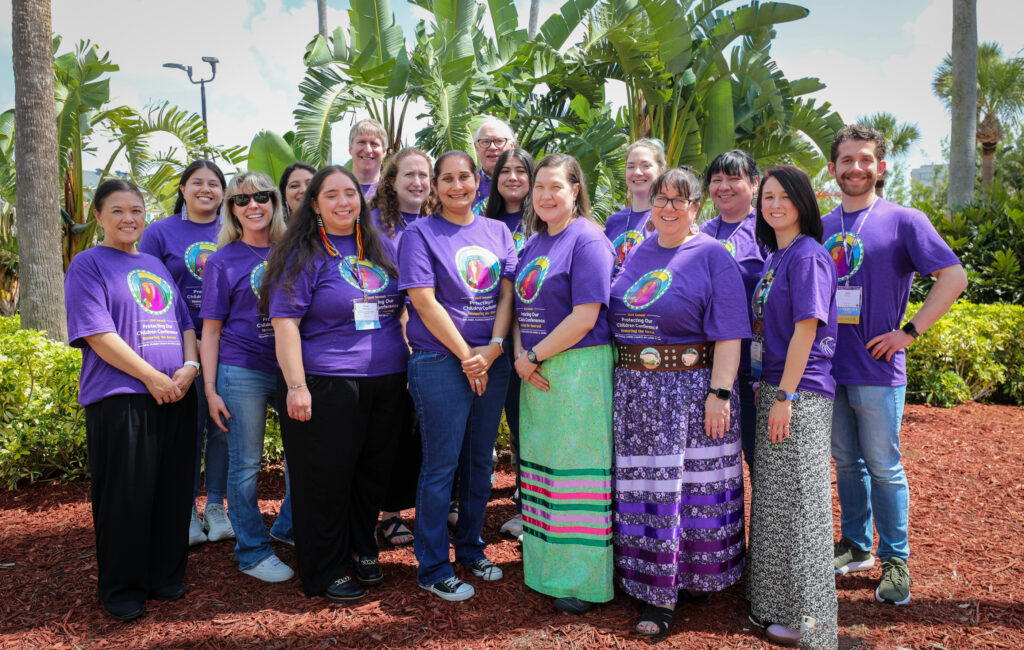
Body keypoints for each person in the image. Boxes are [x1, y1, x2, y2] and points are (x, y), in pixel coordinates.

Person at [823, 125, 967, 606]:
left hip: (878, 369)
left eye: (865, 159)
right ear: (832, 168)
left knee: (884, 465)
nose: (856, 168)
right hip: (828, 368)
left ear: (881, 167)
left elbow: (954, 276)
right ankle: (857, 545)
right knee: (846, 461)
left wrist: (910, 331)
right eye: (846, 160)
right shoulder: (820, 226)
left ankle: (896, 560)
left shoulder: (905, 220)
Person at [608, 167, 749, 638]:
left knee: (685, 491)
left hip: (690, 391)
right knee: (649, 488)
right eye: (660, 198)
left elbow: (730, 331)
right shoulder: (635, 252)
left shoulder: (712, 255)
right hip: (636, 392)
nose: (668, 208)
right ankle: (652, 578)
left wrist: (720, 394)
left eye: (679, 200)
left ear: (696, 208)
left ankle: (671, 594)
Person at [262, 165, 409, 603]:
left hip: (386, 380)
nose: (344, 202)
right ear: (314, 206)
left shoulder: (381, 246)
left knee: (370, 475)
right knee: (324, 480)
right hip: (326, 383)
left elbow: (402, 305)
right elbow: (284, 323)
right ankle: (323, 569)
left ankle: (362, 547)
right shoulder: (301, 254)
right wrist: (296, 385)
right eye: (332, 195)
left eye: (351, 193)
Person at [66, 179, 199, 622]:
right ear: (99, 216)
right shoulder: (88, 264)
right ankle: (122, 587)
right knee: (126, 496)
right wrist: (152, 378)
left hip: (176, 392)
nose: (129, 219)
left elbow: (184, 325)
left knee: (173, 491)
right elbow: (98, 334)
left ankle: (164, 575)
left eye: (136, 211)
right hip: (121, 396)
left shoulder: (155, 265)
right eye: (118, 210)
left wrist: (189, 368)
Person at [398, 150, 516, 602]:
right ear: (434, 186)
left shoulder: (498, 231)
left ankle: (469, 548)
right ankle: (432, 566)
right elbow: (424, 301)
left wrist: (493, 348)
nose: (456, 186)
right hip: (440, 362)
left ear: (477, 182)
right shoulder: (419, 234)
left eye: (464, 177)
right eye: (445, 179)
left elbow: (506, 294)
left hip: (492, 360)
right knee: (441, 466)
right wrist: (468, 355)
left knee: (480, 463)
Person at [512, 153, 616, 614]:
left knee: (578, 474)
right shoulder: (534, 241)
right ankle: (545, 567)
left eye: (556, 186)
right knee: (545, 469)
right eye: (539, 187)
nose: (546, 195)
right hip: (536, 368)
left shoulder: (589, 240)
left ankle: (582, 580)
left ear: (576, 190)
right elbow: (518, 307)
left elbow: (586, 316)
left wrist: (532, 355)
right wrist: (521, 354)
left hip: (578, 369)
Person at [744, 165, 839, 648]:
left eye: (784, 196)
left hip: (797, 394)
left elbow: (807, 328)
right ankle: (778, 605)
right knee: (778, 503)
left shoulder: (807, 257)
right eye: (767, 197)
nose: (774, 204)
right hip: (777, 389)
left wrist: (785, 395)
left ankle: (814, 623)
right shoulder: (777, 256)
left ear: (803, 201)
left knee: (802, 506)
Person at [199, 172, 295, 583]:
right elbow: (211, 330)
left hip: (292, 369)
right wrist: (210, 389)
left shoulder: (294, 252)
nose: (252, 205)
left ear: (274, 202)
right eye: (241, 200)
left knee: (303, 459)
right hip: (242, 371)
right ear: (232, 211)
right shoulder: (223, 260)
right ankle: (253, 551)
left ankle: (290, 528)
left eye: (261, 197)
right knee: (245, 465)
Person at [138, 160, 234, 546]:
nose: (206, 189)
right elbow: (146, 288)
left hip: (230, 343)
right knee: (186, 430)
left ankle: (215, 505)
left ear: (224, 193)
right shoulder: (160, 232)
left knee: (223, 428)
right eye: (197, 182)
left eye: (214, 184)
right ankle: (184, 510)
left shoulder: (234, 230)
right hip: (179, 346)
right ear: (182, 189)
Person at [369, 146, 434, 547]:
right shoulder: (374, 224)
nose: (417, 182)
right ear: (391, 181)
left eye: (424, 175)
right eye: (408, 175)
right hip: (389, 338)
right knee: (392, 432)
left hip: (438, 339)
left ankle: (441, 506)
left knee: (429, 432)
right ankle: (389, 514)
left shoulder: (438, 220)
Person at [700, 150, 766, 473]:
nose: (723, 187)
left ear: (754, 184)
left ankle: (765, 526)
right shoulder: (700, 232)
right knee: (712, 463)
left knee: (760, 460)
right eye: (716, 180)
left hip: (753, 368)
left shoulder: (767, 229)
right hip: (705, 367)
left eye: (733, 178)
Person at [484, 147, 536, 540]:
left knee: (527, 428)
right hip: (489, 340)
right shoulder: (484, 222)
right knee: (495, 426)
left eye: (522, 170)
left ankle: (531, 507)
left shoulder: (546, 219)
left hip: (534, 342)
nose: (514, 177)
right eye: (506, 171)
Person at [603, 139, 666, 270]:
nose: (637, 172)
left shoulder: (669, 218)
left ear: (661, 171)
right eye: (631, 166)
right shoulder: (613, 222)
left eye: (645, 165)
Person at [471, 117, 516, 215]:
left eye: (499, 141)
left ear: (512, 146)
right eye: (485, 142)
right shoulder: (467, 183)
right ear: (476, 147)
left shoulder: (525, 184)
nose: (492, 147)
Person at [349, 118, 387, 200]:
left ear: (384, 152)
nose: (367, 150)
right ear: (351, 149)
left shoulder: (395, 192)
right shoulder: (337, 189)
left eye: (374, 144)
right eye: (361, 142)